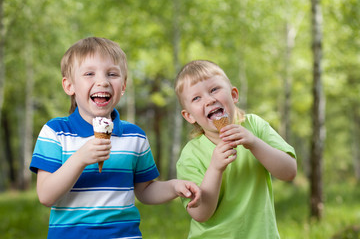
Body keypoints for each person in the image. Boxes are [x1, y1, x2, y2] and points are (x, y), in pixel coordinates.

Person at [30, 37, 201, 238]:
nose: (102, 81)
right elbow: (46, 195)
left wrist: (174, 186)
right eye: (89, 74)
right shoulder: (55, 132)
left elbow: (145, 190)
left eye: (112, 74)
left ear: (124, 85)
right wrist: (79, 159)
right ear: (69, 86)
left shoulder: (134, 136)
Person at [174, 60, 297, 238]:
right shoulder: (190, 155)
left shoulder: (254, 125)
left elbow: (289, 171)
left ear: (233, 95)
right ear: (189, 116)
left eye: (214, 89)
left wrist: (254, 143)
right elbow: (200, 214)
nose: (209, 100)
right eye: (196, 98)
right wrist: (215, 168)